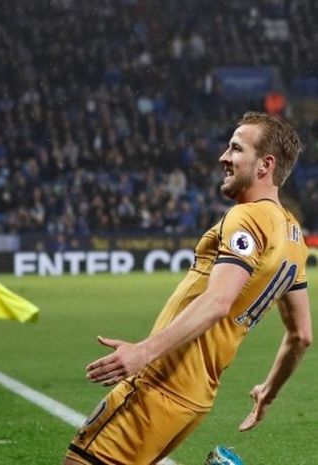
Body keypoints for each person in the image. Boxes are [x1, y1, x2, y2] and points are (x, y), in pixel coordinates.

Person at [64, 112, 312, 465]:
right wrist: (268, 392)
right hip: (196, 397)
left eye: (236, 149)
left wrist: (143, 353)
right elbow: (301, 335)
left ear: (265, 165)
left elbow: (218, 302)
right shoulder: (293, 237)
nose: (223, 157)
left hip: (161, 382)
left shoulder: (248, 217)